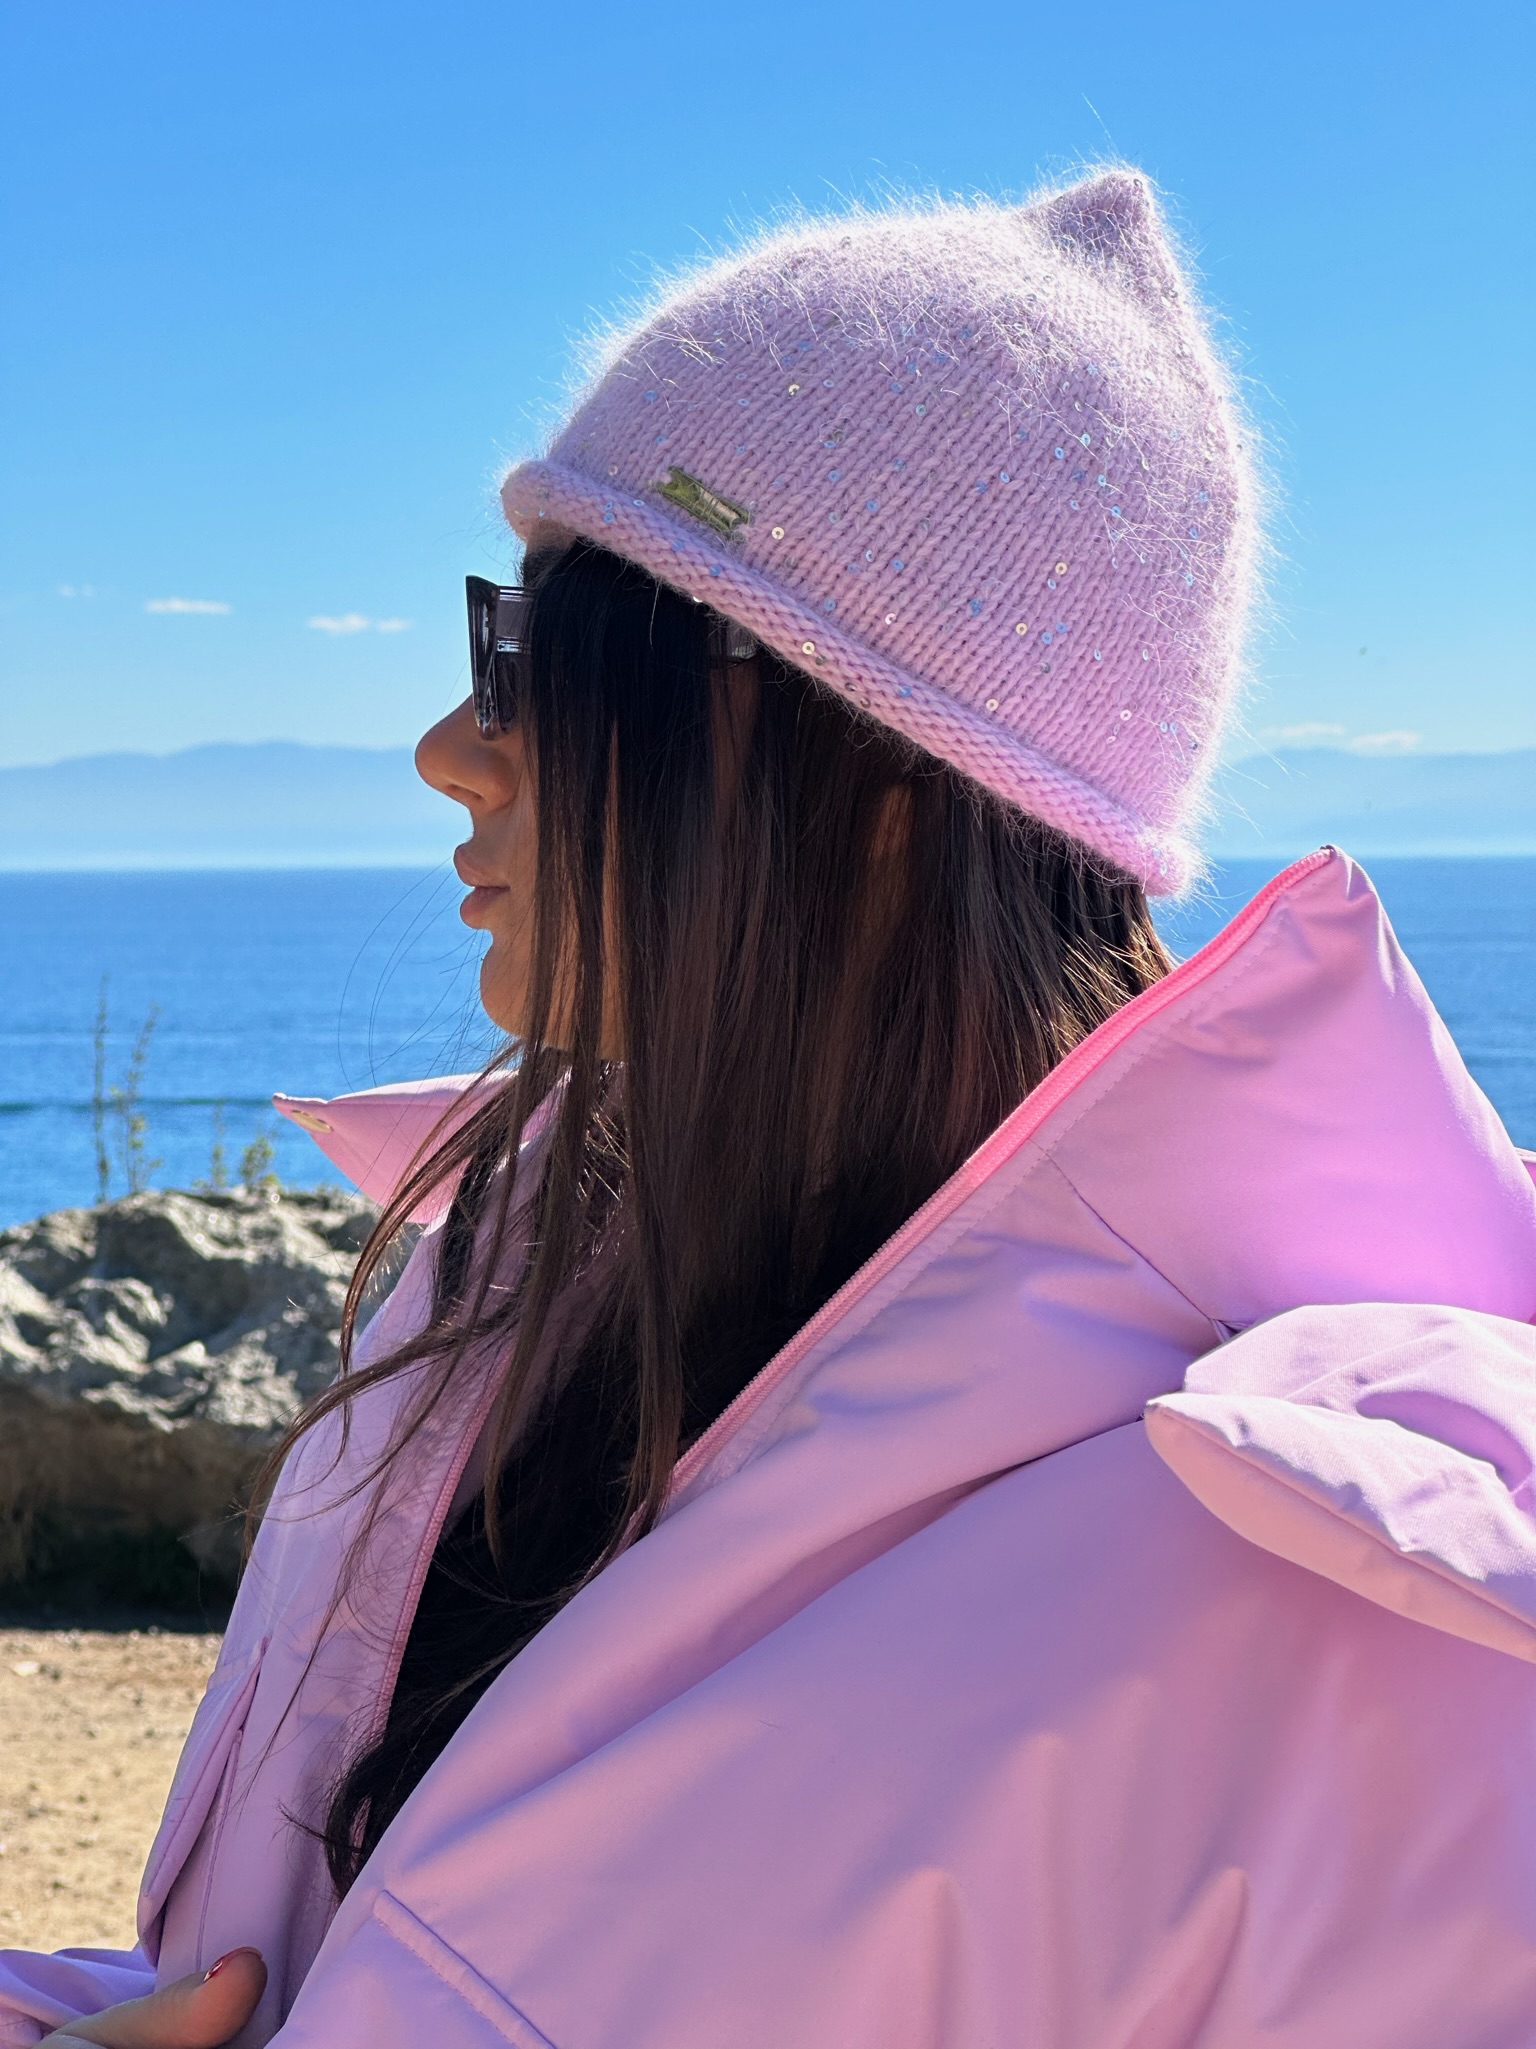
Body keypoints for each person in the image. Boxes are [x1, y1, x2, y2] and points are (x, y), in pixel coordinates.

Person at [8, 168, 1536, 2049]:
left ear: (877, 765)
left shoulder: (1346, 1603)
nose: (450, 748)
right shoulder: (511, 1293)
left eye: (546, 661)